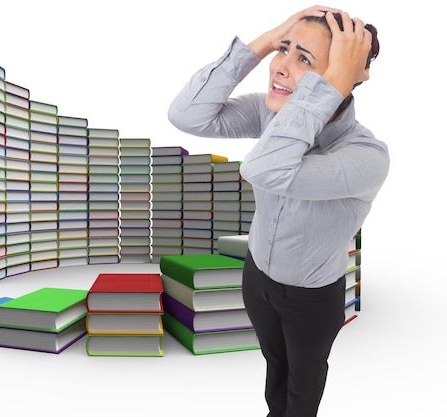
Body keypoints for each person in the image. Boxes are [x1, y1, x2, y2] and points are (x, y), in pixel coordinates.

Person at [167, 5, 389, 417]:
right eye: (282, 50)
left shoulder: (365, 156)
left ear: (344, 76)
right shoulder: (274, 116)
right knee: (275, 368)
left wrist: (332, 86)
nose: (280, 67)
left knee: (304, 385)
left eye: (303, 58)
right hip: (258, 279)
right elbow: (186, 114)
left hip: (312, 296)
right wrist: (267, 39)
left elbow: (264, 168)